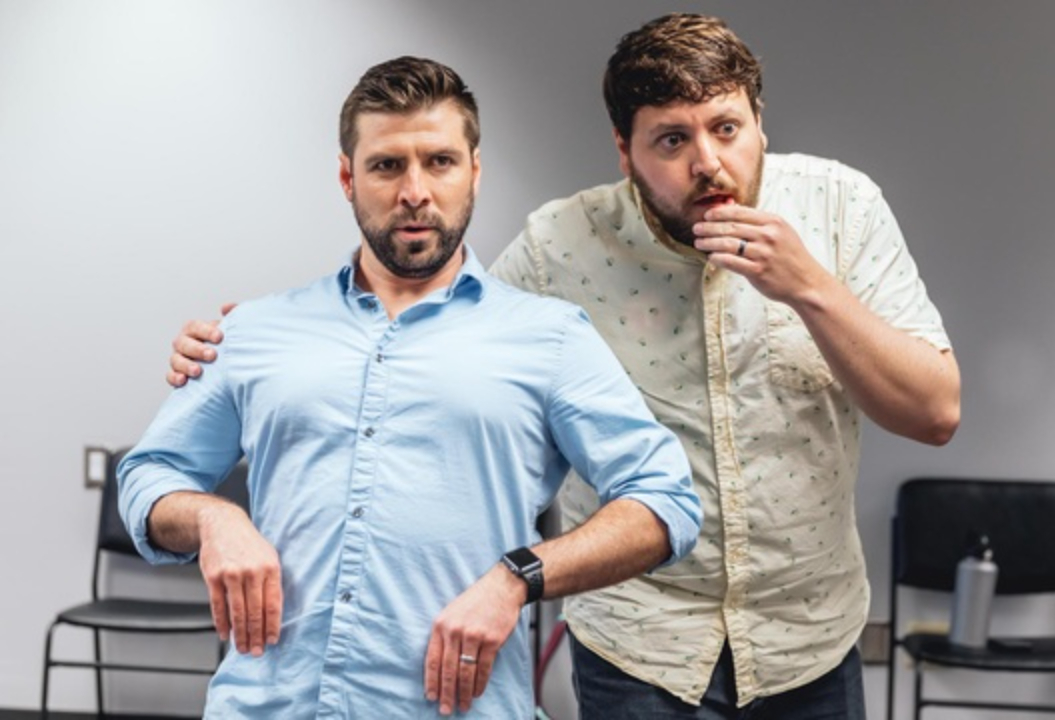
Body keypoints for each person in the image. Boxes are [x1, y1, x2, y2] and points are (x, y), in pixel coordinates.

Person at [168, 13, 960, 719]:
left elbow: (935, 414)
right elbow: (446, 322)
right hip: (640, 640)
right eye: (672, 141)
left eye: (727, 128)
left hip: (807, 633)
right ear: (625, 150)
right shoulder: (562, 247)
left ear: (759, 120)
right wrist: (267, 339)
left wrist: (812, 289)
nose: (708, 164)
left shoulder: (841, 210)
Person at [120, 56, 701, 719]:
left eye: (440, 162)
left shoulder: (551, 338)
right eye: (387, 165)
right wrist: (215, 518)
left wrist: (519, 576)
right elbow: (149, 476)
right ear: (348, 177)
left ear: (474, 171)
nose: (414, 191)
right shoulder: (255, 330)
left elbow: (665, 502)